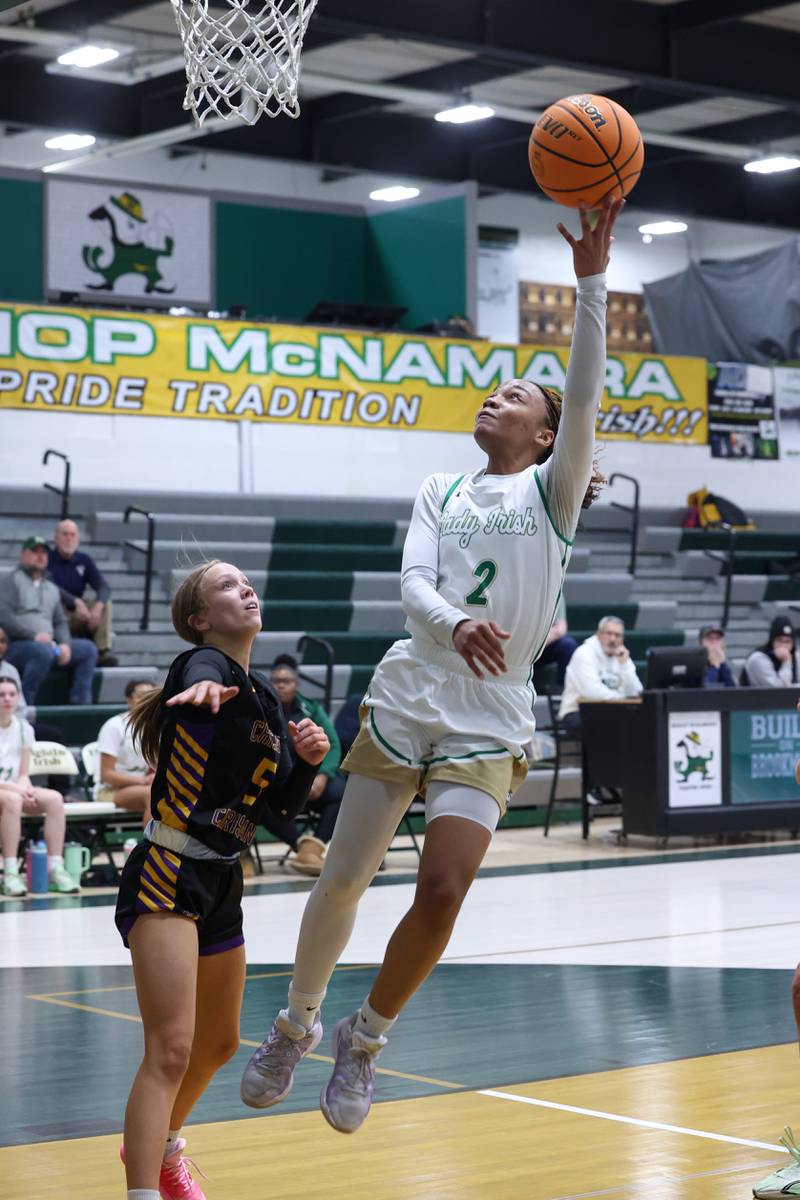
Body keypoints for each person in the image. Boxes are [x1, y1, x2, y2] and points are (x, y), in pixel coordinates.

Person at [239, 198, 621, 1133]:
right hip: (413, 689)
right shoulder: (440, 486)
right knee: (344, 875)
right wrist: (454, 626)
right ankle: (294, 1022)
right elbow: (412, 584)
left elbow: (584, 389)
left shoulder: (555, 487)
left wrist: (591, 281)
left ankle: (363, 1039)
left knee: (443, 889)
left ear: (544, 436)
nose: (498, 397)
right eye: (492, 392)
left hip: (491, 712)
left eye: (517, 398)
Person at [116, 559, 328, 1200]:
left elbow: (280, 812)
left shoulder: (264, 698)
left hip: (222, 881)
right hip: (168, 870)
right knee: (171, 1048)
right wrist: (208, 684)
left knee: (219, 1040)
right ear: (200, 619)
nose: (248, 588)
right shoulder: (197, 669)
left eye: (247, 582)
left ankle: (158, 1146)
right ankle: (144, 1188)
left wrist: (307, 763)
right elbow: (202, 672)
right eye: (229, 586)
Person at [261, 655, 343, 876]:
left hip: (310, 775)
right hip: (279, 779)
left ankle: (316, 845)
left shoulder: (312, 709)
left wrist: (322, 775)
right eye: (276, 681)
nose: (280, 685)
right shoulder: (264, 708)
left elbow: (333, 744)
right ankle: (302, 847)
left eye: (286, 681)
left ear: (296, 684)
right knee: (261, 796)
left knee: (340, 791)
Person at [0, 677, 79, 897]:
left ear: (18, 698)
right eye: (2, 694)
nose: (7, 699)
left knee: (54, 798)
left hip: (14, 789)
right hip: (8, 792)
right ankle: (10, 873)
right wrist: (17, 790)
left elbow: (23, 772)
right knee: (14, 800)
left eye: (11, 694)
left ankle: (55, 867)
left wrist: (25, 785)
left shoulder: (24, 729)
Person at [0, 536, 98, 705]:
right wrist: (33, 636)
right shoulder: (10, 580)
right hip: (18, 645)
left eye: (44, 552)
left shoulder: (51, 587)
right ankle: (25, 706)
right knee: (41, 652)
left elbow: (59, 621)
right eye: (35, 552)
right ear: (23, 554)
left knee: (88, 649)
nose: (40, 556)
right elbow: (4, 615)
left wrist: (65, 643)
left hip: (48, 645)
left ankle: (80, 705)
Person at [558, 615, 643, 737]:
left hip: (612, 711)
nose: (613, 639)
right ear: (599, 634)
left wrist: (625, 665)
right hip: (577, 712)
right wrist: (623, 700)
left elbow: (635, 692)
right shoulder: (584, 653)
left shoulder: (622, 656)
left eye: (617, 635)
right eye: (608, 633)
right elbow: (593, 692)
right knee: (611, 725)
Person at [48, 519, 117, 666]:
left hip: (79, 614)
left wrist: (97, 608)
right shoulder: (47, 559)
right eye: (65, 534)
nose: (69, 538)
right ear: (56, 538)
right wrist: (75, 601)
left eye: (73, 535)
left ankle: (101, 652)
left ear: (78, 539)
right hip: (55, 614)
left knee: (105, 604)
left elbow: (104, 587)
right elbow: (49, 586)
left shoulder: (84, 560)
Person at [95, 679, 159, 825]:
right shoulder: (114, 726)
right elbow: (107, 775)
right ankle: (151, 846)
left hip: (143, 787)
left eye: (151, 696)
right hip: (109, 790)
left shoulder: (156, 728)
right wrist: (142, 780)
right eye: (141, 696)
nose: (146, 701)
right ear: (129, 700)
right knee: (153, 795)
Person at [532, 594, 577, 689]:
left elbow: (560, 629)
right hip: (516, 644)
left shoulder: (556, 591)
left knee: (568, 645)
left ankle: (563, 690)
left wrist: (535, 643)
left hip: (542, 646)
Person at [741, 617, 799, 688]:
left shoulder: (796, 656)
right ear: (772, 640)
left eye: (787, 641)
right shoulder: (758, 658)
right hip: (756, 698)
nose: (783, 646)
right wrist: (786, 662)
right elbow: (779, 691)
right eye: (779, 640)